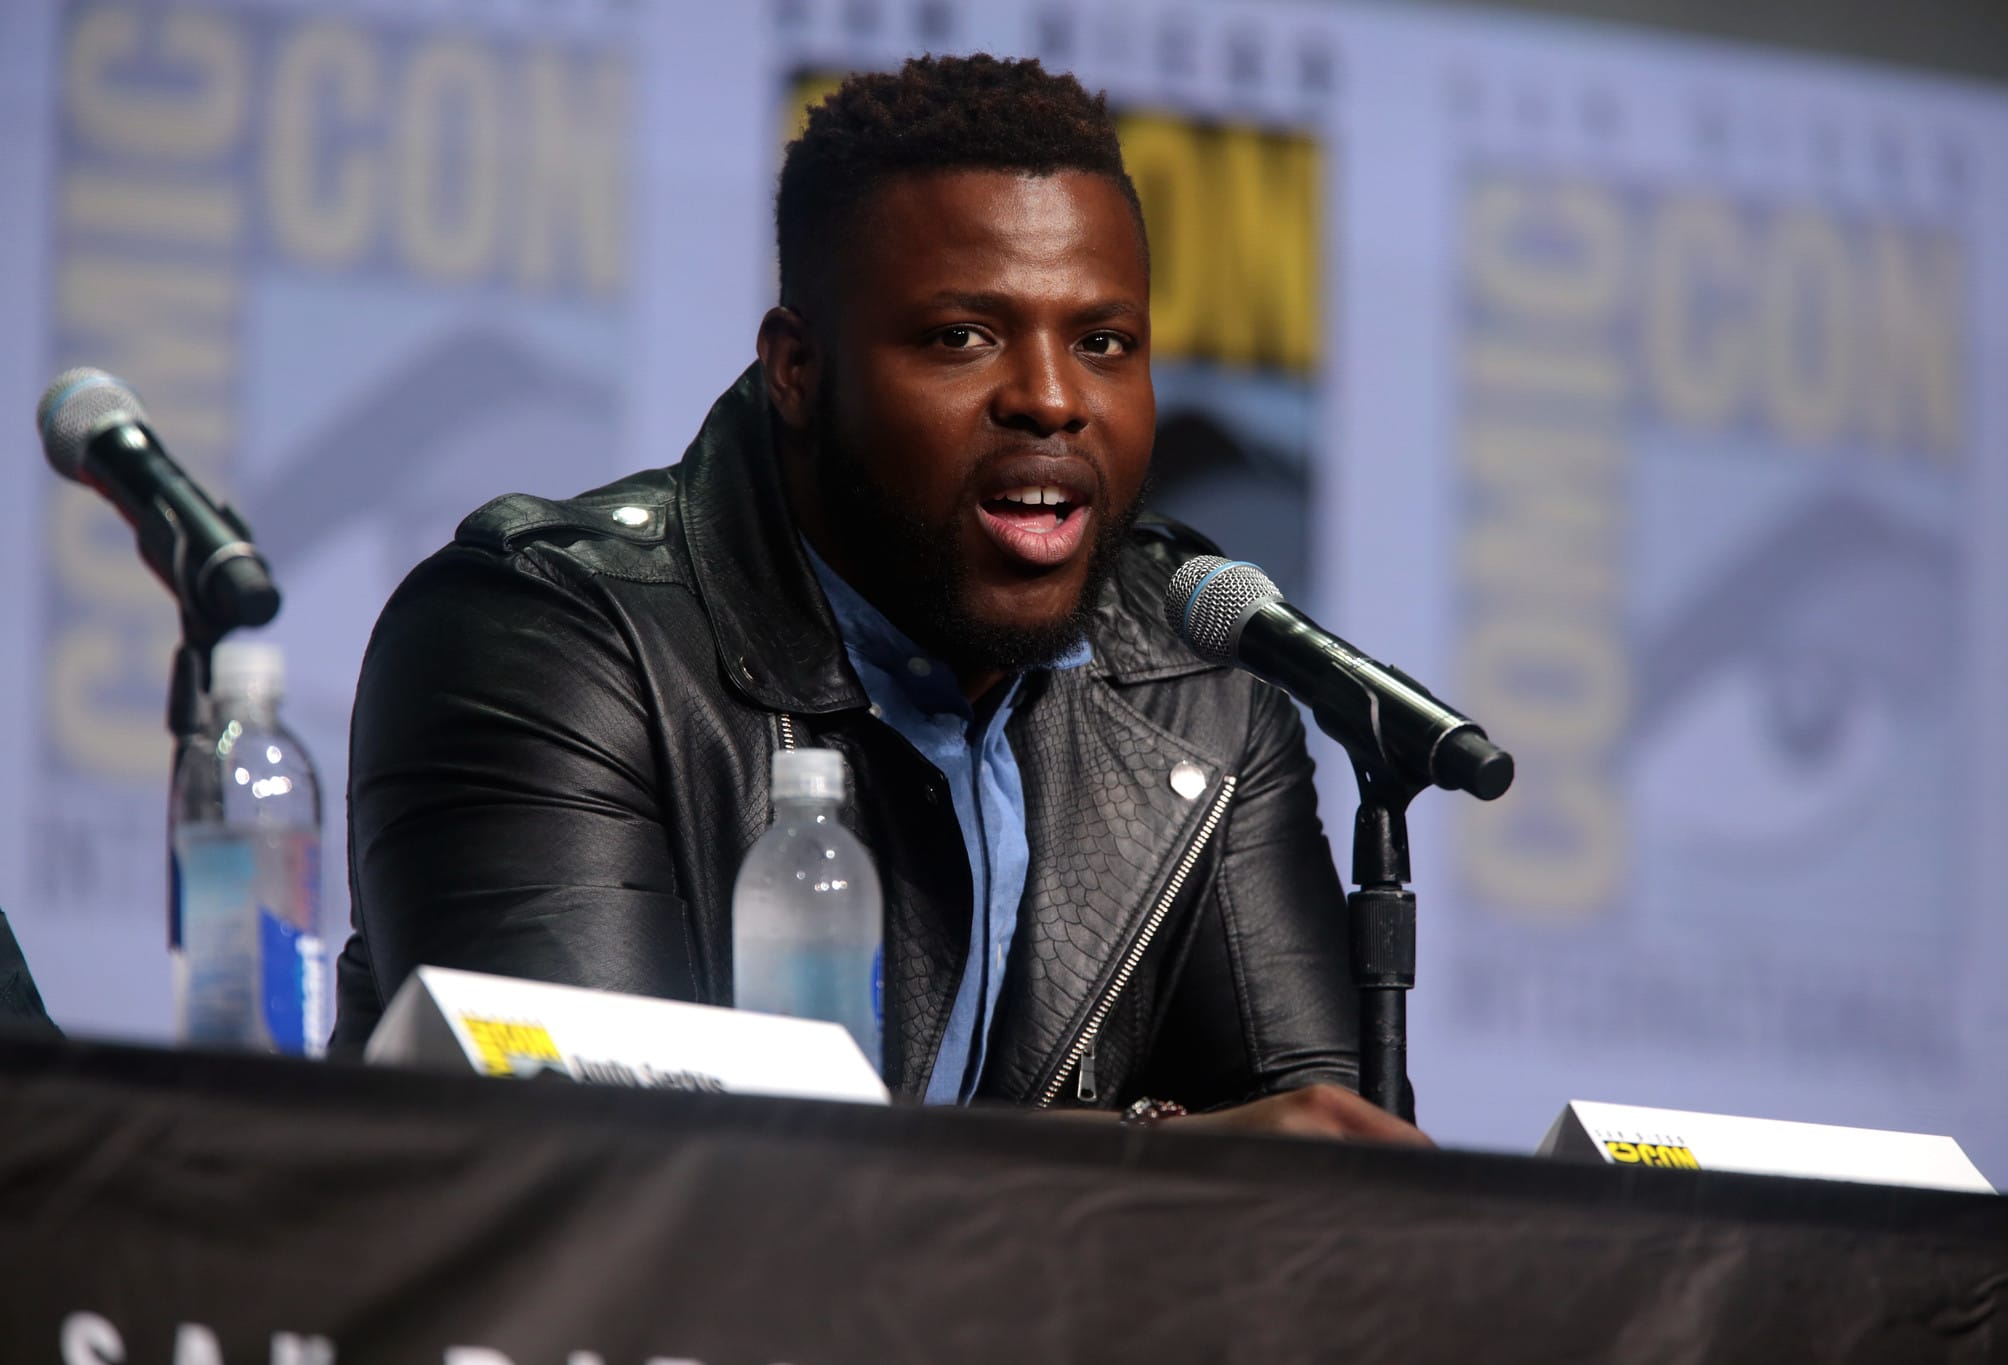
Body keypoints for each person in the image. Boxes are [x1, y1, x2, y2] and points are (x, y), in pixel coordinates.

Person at [334, 55, 1424, 1144]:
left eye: (1103, 343)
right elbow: (597, 1161)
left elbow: (1321, 1170)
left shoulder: (1197, 686)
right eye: (962, 337)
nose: (1051, 399)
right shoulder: (545, 635)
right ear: (797, 371)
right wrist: (1151, 1158)